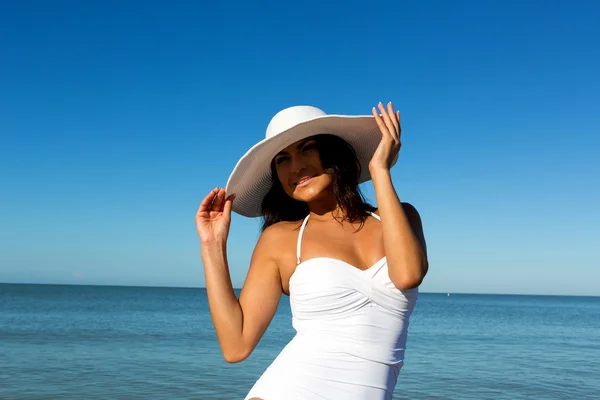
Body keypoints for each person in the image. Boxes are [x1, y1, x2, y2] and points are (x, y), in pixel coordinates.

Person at [195, 102, 429, 400]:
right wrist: (212, 245)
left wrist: (379, 169)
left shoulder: (401, 218)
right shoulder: (280, 239)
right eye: (283, 159)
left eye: (306, 148)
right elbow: (236, 345)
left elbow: (408, 275)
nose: (296, 167)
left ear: (335, 153)